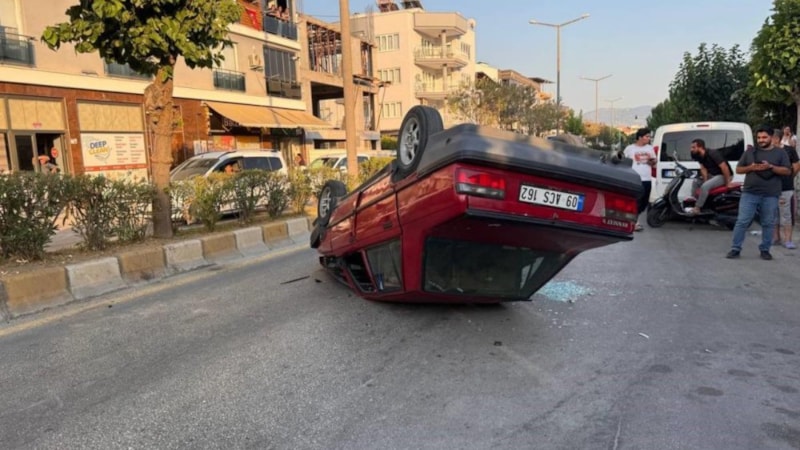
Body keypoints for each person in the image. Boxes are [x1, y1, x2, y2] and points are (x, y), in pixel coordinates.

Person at [726, 126, 791, 260]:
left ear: (772, 137)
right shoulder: (750, 152)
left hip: (771, 194)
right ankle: (735, 248)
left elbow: (787, 171)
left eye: (764, 137)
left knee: (768, 222)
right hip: (750, 192)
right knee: (742, 221)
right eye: (759, 137)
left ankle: (765, 249)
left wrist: (771, 167)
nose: (761, 140)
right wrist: (751, 167)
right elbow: (738, 169)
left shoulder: (780, 153)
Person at [623, 128, 656, 231]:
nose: (649, 138)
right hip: (634, 178)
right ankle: (633, 222)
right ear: (640, 137)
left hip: (646, 179)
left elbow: (654, 163)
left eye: (649, 137)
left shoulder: (650, 148)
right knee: (635, 200)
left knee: (644, 202)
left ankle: (634, 219)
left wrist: (652, 161)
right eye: (647, 136)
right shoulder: (630, 148)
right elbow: (623, 161)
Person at [771, 129, 800, 249]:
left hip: (785, 188)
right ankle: (776, 237)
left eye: (770, 138)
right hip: (771, 188)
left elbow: (797, 166)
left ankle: (788, 240)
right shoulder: (768, 151)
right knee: (773, 214)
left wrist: (789, 177)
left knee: (786, 214)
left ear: (776, 139)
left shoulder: (789, 150)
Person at [689, 138, 732, 214]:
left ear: (700, 147)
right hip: (713, 175)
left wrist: (727, 183)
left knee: (705, 186)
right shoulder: (698, 155)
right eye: (691, 147)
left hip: (723, 175)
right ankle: (693, 202)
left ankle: (697, 208)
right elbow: (703, 169)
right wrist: (705, 180)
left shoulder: (713, 153)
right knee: (696, 182)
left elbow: (724, 167)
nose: (691, 149)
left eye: (693, 147)